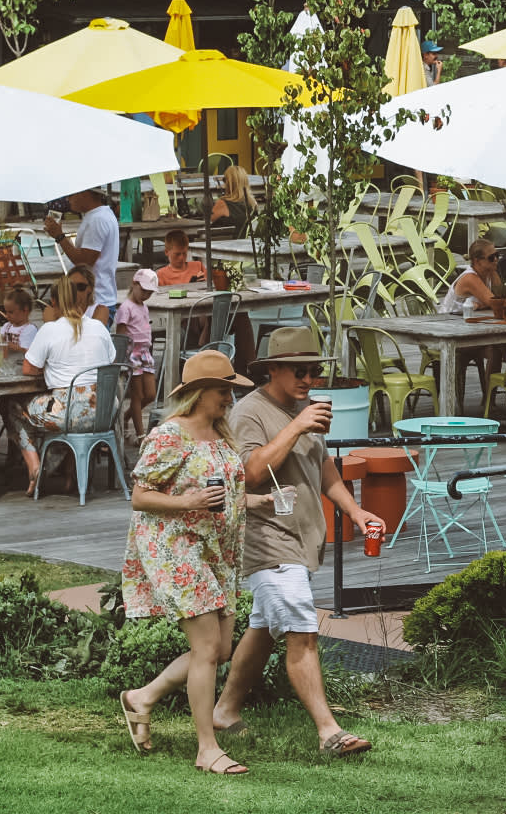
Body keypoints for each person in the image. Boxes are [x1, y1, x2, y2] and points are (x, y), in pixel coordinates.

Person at [214, 328, 379, 756]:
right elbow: (249, 474)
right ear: (273, 370)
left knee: (264, 629)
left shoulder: (305, 407)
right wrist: (297, 426)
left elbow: (322, 467)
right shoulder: (250, 413)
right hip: (267, 539)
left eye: (313, 370)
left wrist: (355, 511)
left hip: (301, 540)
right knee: (301, 630)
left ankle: (224, 711)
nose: (309, 379)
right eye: (299, 371)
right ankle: (329, 731)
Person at [117, 351, 268, 776]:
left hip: (215, 551)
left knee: (220, 651)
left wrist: (259, 500)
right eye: (223, 391)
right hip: (176, 548)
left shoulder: (221, 434)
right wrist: (188, 502)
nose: (229, 399)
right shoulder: (171, 435)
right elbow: (140, 496)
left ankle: (142, 697)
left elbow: (221, 494)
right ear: (199, 392)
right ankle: (207, 749)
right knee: (205, 649)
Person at [17, 268, 117, 495]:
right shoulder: (98, 327)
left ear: (53, 302)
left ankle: (34, 465)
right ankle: (66, 470)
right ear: (77, 298)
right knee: (58, 412)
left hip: (70, 413)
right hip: (105, 410)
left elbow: (28, 368)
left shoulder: (50, 330)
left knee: (13, 407)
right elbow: (111, 361)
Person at [44, 188, 119, 320]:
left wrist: (60, 236)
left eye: (72, 194)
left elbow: (84, 261)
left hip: (95, 301)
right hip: (95, 298)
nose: (68, 199)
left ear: (85, 193)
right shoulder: (101, 215)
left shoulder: (97, 219)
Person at [115, 268, 159, 442]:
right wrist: (121, 357)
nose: (146, 295)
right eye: (144, 290)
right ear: (134, 284)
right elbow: (121, 333)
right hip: (132, 354)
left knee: (150, 394)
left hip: (145, 353)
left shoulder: (144, 307)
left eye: (149, 293)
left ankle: (126, 417)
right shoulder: (126, 307)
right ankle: (141, 436)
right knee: (137, 395)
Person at [438, 238, 501, 315]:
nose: (496, 259)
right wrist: (485, 305)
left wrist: (481, 305)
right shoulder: (470, 278)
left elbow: (500, 296)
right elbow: (496, 304)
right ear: (477, 261)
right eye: (491, 258)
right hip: (447, 319)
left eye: (497, 255)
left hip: (465, 318)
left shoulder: (489, 273)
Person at [209, 164, 255, 239]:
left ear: (230, 183)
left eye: (224, 180)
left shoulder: (223, 204)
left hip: (221, 243)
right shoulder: (253, 204)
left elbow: (209, 220)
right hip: (245, 242)